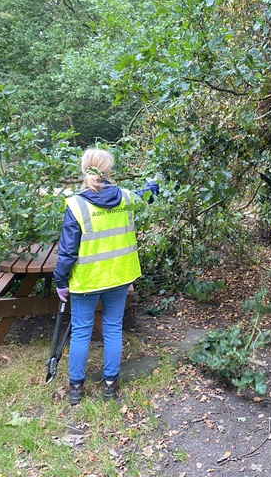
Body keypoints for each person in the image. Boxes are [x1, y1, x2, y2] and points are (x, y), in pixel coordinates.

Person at [54, 148, 159, 406]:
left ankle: (76, 387)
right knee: (113, 328)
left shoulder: (76, 204)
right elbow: (147, 195)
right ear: (109, 170)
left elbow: (67, 251)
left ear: (84, 170)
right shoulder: (126, 197)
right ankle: (110, 383)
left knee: (81, 331)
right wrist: (153, 184)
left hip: (87, 281)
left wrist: (60, 281)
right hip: (119, 276)